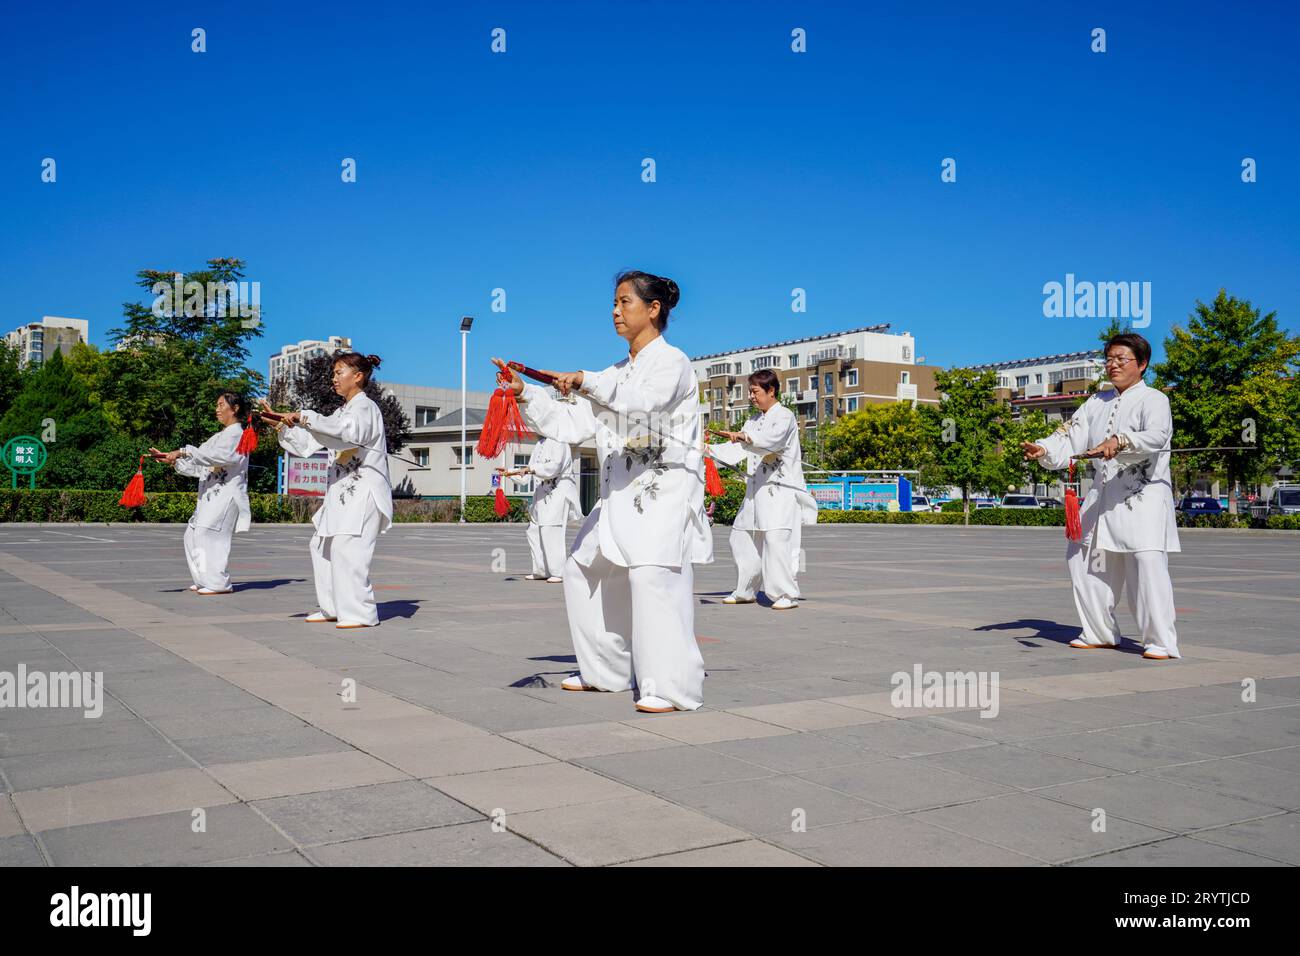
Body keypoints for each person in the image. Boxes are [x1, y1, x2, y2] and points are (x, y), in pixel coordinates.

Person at [491, 270, 712, 713]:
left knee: (654, 580)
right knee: (582, 569)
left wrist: (585, 381)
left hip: (660, 492)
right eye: (614, 302)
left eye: (625, 301)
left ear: (653, 309)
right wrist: (528, 394)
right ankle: (605, 671)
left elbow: (641, 403)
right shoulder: (616, 372)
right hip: (618, 495)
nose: (615, 310)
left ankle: (671, 687)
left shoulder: (672, 362)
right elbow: (575, 425)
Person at [1022, 332, 1181, 660]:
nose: (1113, 365)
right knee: (1083, 557)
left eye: (1121, 359)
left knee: (1146, 564)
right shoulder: (1096, 402)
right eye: (1109, 359)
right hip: (1102, 496)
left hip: (1143, 497)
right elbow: (1069, 435)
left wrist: (1121, 441)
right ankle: (1099, 631)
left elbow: (1156, 435)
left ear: (1142, 364)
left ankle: (1159, 641)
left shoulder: (1154, 400)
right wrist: (1044, 448)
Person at [264, 352, 393, 629]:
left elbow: (348, 433)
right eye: (333, 373)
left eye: (339, 372)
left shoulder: (365, 408)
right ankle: (333, 607)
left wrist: (306, 417)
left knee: (349, 549)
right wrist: (282, 425)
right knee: (321, 545)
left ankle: (360, 612)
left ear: (357, 376)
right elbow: (310, 443)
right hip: (341, 492)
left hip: (363, 490)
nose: (333, 378)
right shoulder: (342, 411)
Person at [708, 370, 817, 609]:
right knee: (740, 537)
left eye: (755, 391)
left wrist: (745, 437)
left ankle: (786, 594)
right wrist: (708, 450)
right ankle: (746, 590)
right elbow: (738, 449)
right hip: (755, 493)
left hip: (780, 491)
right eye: (750, 391)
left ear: (771, 390)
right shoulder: (753, 421)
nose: (751, 396)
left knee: (777, 542)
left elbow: (772, 440)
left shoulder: (785, 416)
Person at [150, 392, 253, 595]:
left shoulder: (237, 434)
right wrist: (174, 461)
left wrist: (185, 451)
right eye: (216, 405)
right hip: (210, 495)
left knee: (209, 534)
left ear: (235, 408)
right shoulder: (219, 436)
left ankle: (218, 583)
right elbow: (202, 466)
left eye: (221, 405)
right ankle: (204, 579)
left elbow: (220, 457)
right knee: (192, 535)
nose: (217, 409)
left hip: (227, 494)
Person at [499, 433, 582, 583]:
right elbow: (526, 476)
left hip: (557, 493)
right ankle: (540, 570)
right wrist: (510, 472)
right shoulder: (539, 444)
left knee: (551, 530)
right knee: (534, 530)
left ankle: (558, 571)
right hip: (540, 496)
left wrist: (531, 468)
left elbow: (553, 468)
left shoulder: (560, 440)